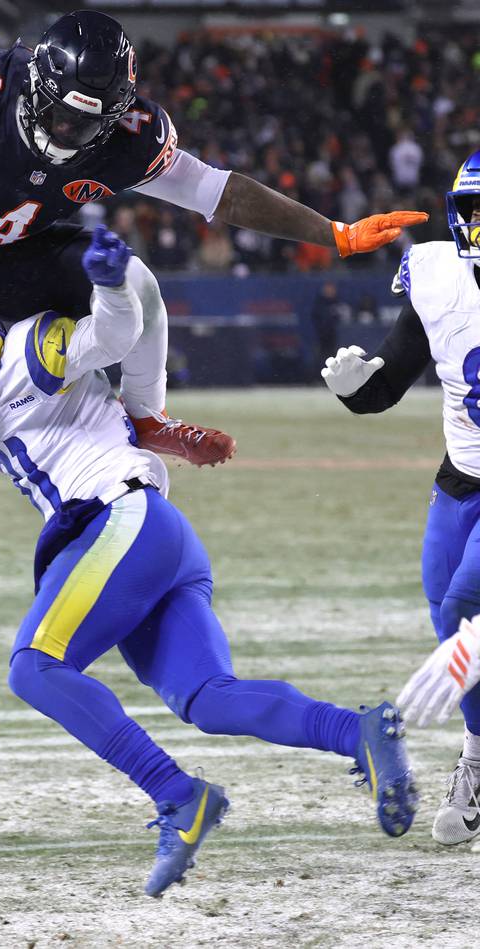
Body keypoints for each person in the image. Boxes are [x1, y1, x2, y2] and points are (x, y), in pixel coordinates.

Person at [0, 226, 417, 895]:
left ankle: (179, 795)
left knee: (35, 667)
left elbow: (113, 336)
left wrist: (112, 284)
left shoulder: (31, 353)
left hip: (118, 522)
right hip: (159, 535)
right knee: (209, 697)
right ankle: (361, 731)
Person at [0, 9, 428, 513]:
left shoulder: (130, 138)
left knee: (136, 283)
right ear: (36, 85)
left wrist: (333, 234)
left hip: (20, 262)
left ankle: (147, 417)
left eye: (86, 125)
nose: (68, 133)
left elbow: (219, 192)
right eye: (59, 116)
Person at [321, 150, 480, 846]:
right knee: (443, 604)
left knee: (465, 614)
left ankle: (475, 764)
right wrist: (359, 388)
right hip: (462, 474)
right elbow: (392, 380)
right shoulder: (437, 273)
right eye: (477, 210)